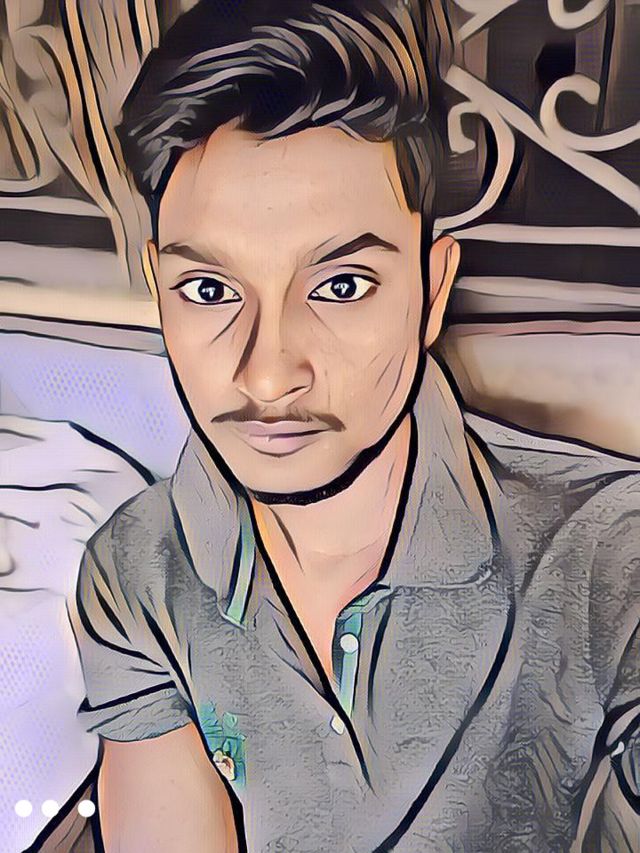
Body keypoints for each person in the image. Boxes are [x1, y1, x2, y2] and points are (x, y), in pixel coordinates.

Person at [59, 1, 640, 850]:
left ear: (431, 292)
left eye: (340, 287)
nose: (267, 374)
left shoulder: (613, 554)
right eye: (210, 291)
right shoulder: (137, 567)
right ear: (157, 290)